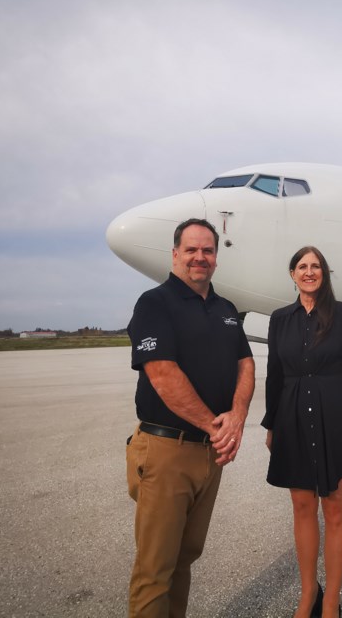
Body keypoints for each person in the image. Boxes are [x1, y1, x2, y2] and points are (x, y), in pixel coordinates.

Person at [125, 218, 255, 618]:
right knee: (155, 570)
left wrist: (237, 416)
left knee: (184, 560)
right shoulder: (155, 303)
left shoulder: (226, 308)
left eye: (208, 250)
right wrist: (217, 426)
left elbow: (246, 363)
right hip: (168, 450)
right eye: (192, 250)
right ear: (176, 254)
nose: (200, 257)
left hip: (208, 453)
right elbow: (162, 373)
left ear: (216, 257)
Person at [262, 246, 342, 618]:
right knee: (301, 507)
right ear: (292, 274)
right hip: (292, 415)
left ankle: (331, 601)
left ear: (324, 274)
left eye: (315, 267)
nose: (309, 272)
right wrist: (271, 424)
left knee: (336, 509)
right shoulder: (280, 318)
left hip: (337, 415)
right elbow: (275, 375)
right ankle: (309, 592)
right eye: (302, 266)